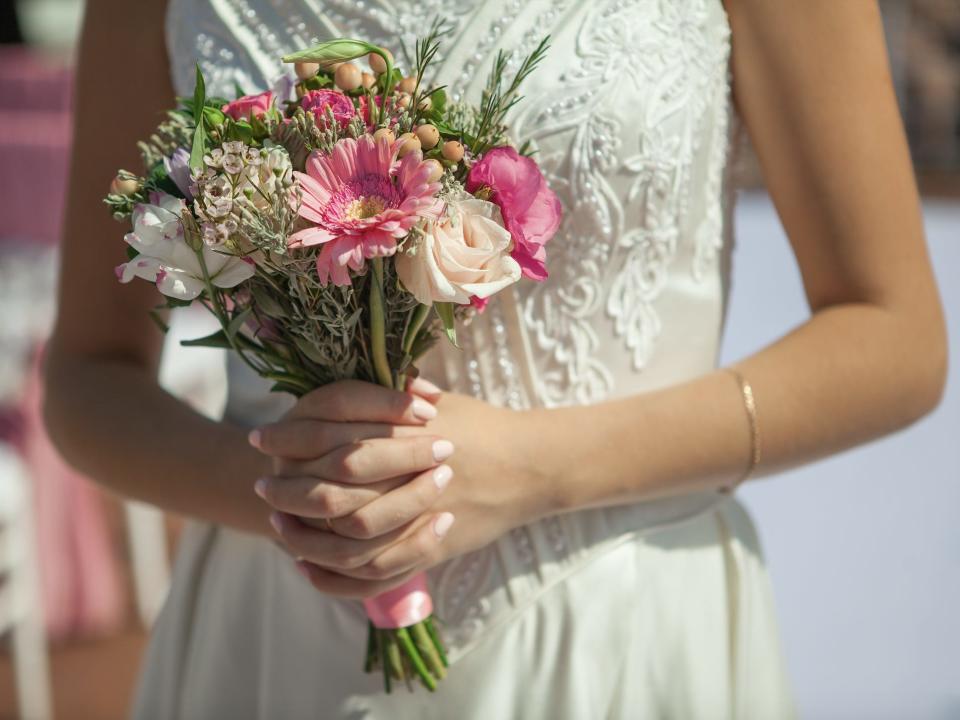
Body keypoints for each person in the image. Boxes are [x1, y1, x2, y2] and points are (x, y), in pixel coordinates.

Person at [44, 0, 947, 717]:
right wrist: (301, 500)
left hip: (619, 634)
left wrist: (531, 469)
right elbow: (88, 378)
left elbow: (893, 338)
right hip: (273, 633)